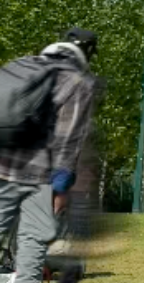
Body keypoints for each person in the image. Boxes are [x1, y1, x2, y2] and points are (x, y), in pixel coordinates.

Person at [0, 28, 102, 283]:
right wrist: (60, 188)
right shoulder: (78, 82)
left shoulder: (20, 65)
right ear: (87, 53)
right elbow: (68, 141)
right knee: (30, 253)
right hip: (38, 177)